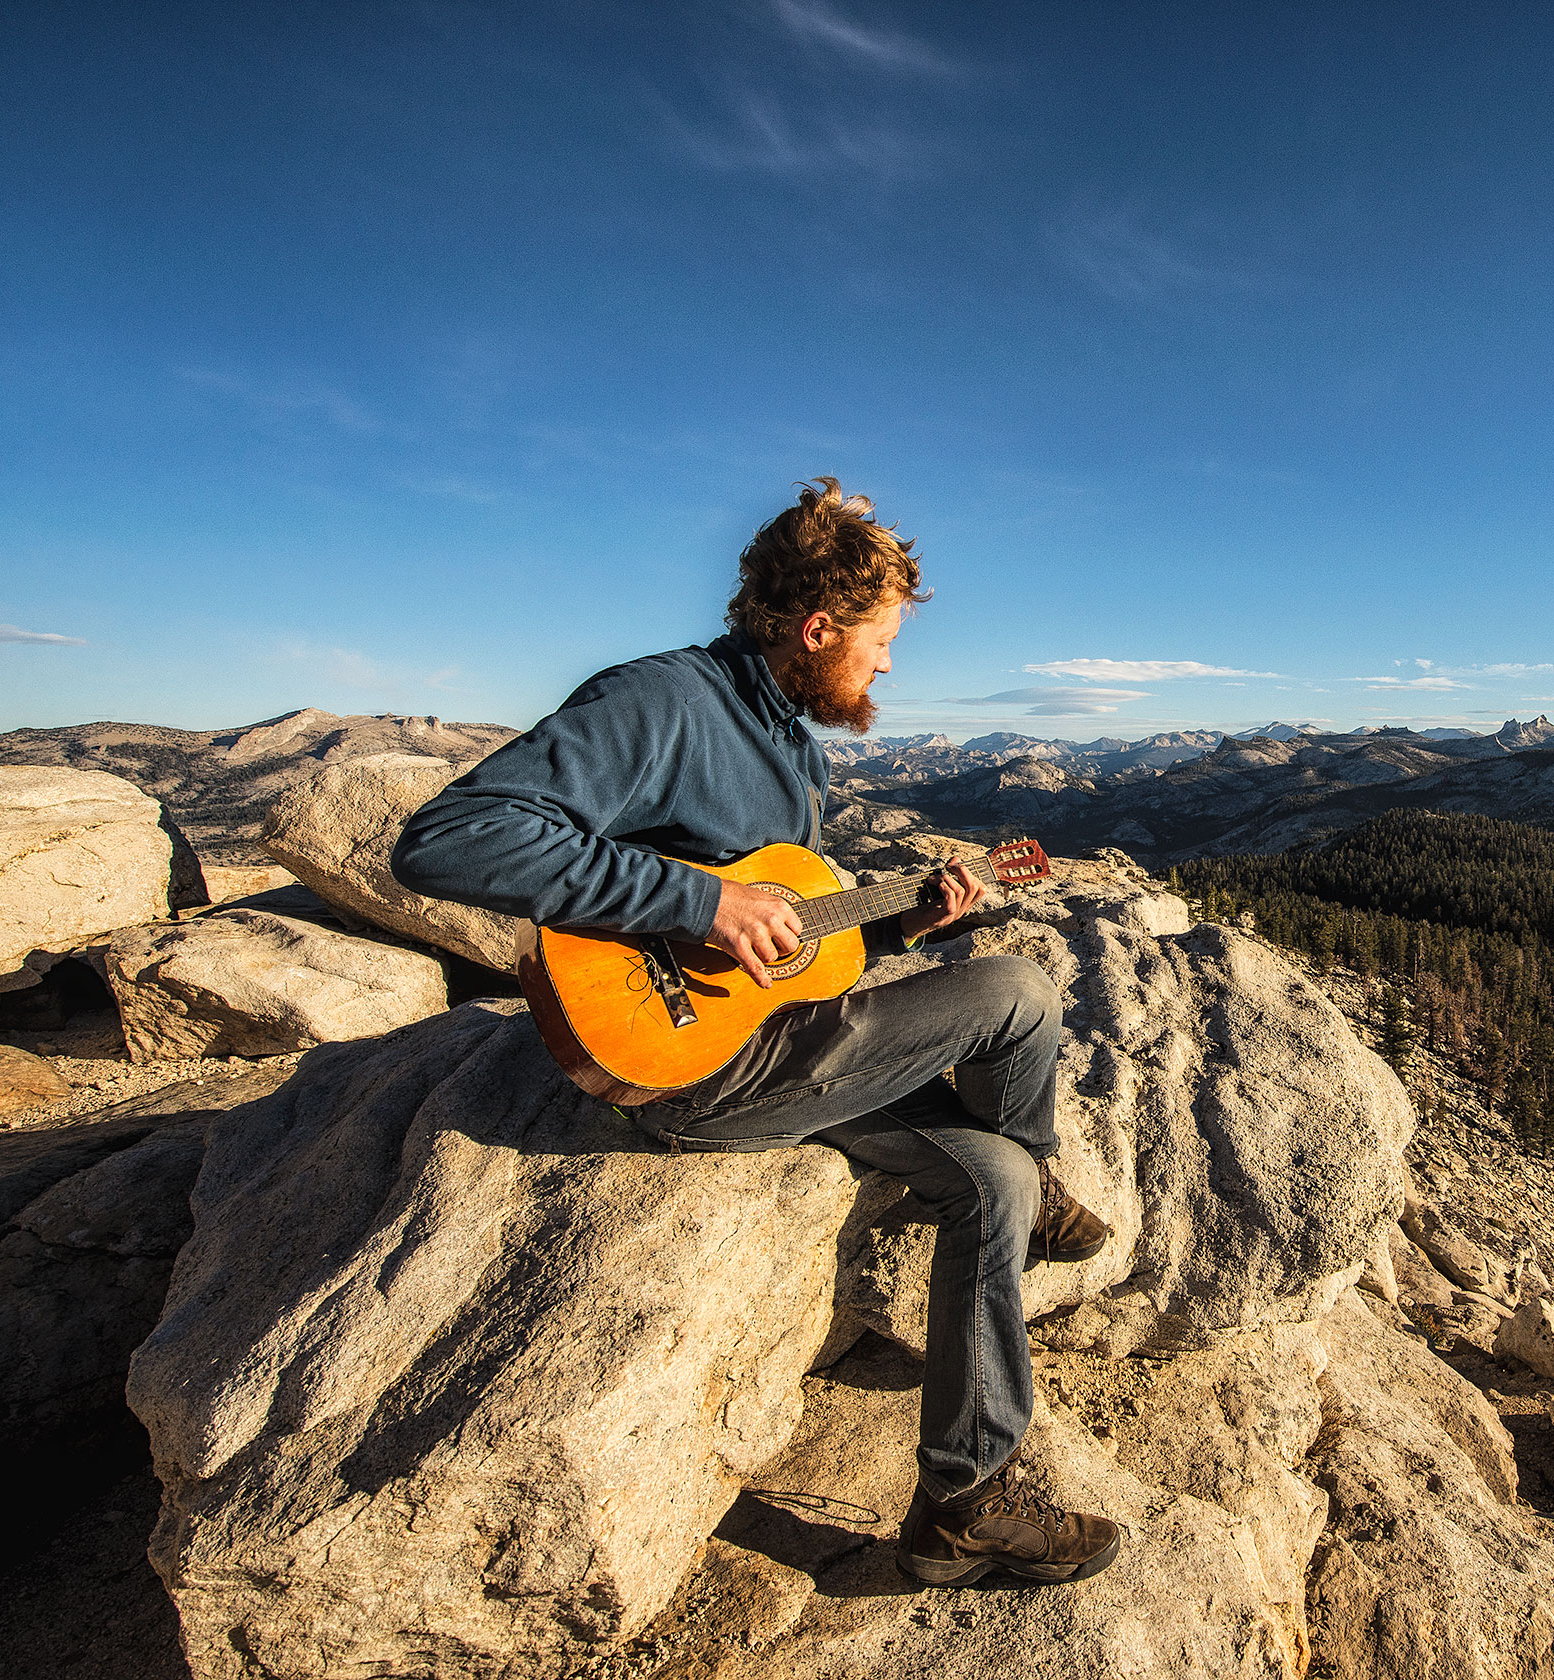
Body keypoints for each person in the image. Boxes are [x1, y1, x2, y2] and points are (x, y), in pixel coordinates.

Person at [389, 478, 1121, 1588]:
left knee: (991, 1185)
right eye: (877, 644)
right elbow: (449, 840)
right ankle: (1043, 1166)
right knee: (1017, 989)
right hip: (688, 1064)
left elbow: (780, 952)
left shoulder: (790, 743)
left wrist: (904, 926)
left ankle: (962, 1501)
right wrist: (694, 904)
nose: (887, 668)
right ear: (817, 629)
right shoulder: (665, 702)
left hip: (773, 1045)